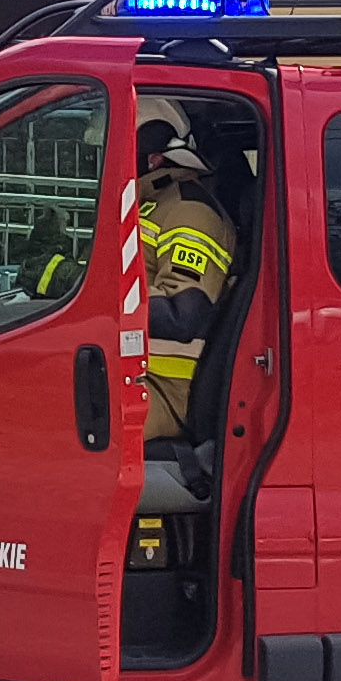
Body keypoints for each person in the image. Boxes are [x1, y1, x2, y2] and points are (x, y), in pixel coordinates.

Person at [135, 115, 239, 441]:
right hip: (132, 375)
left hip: (165, 390)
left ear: (153, 159)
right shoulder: (151, 205)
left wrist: (98, 300)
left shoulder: (190, 212)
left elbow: (184, 315)